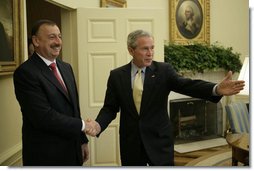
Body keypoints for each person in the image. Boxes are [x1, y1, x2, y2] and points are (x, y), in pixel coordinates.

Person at [85, 29, 245, 166]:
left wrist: (216, 89)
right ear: (131, 50)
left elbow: (188, 85)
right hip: (131, 143)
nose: (150, 53)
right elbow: (110, 108)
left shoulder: (163, 71)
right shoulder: (117, 76)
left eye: (152, 48)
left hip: (159, 141)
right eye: (145, 49)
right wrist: (99, 125)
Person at [13, 19, 94, 166]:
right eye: (52, 37)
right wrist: (83, 125)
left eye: (60, 36)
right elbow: (43, 117)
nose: (58, 42)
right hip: (46, 156)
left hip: (73, 150)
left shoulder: (66, 67)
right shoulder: (25, 73)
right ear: (36, 41)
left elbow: (74, 108)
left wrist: (82, 140)